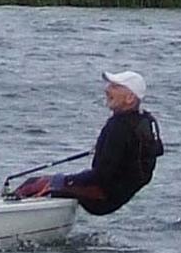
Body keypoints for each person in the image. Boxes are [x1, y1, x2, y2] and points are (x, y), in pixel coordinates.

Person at [12, 70, 163, 216]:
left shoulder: (119, 126)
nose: (107, 90)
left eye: (115, 87)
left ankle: (2, 214)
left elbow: (102, 174)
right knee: (53, 182)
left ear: (130, 98)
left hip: (103, 196)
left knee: (36, 184)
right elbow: (151, 153)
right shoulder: (144, 120)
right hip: (118, 193)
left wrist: (66, 181)